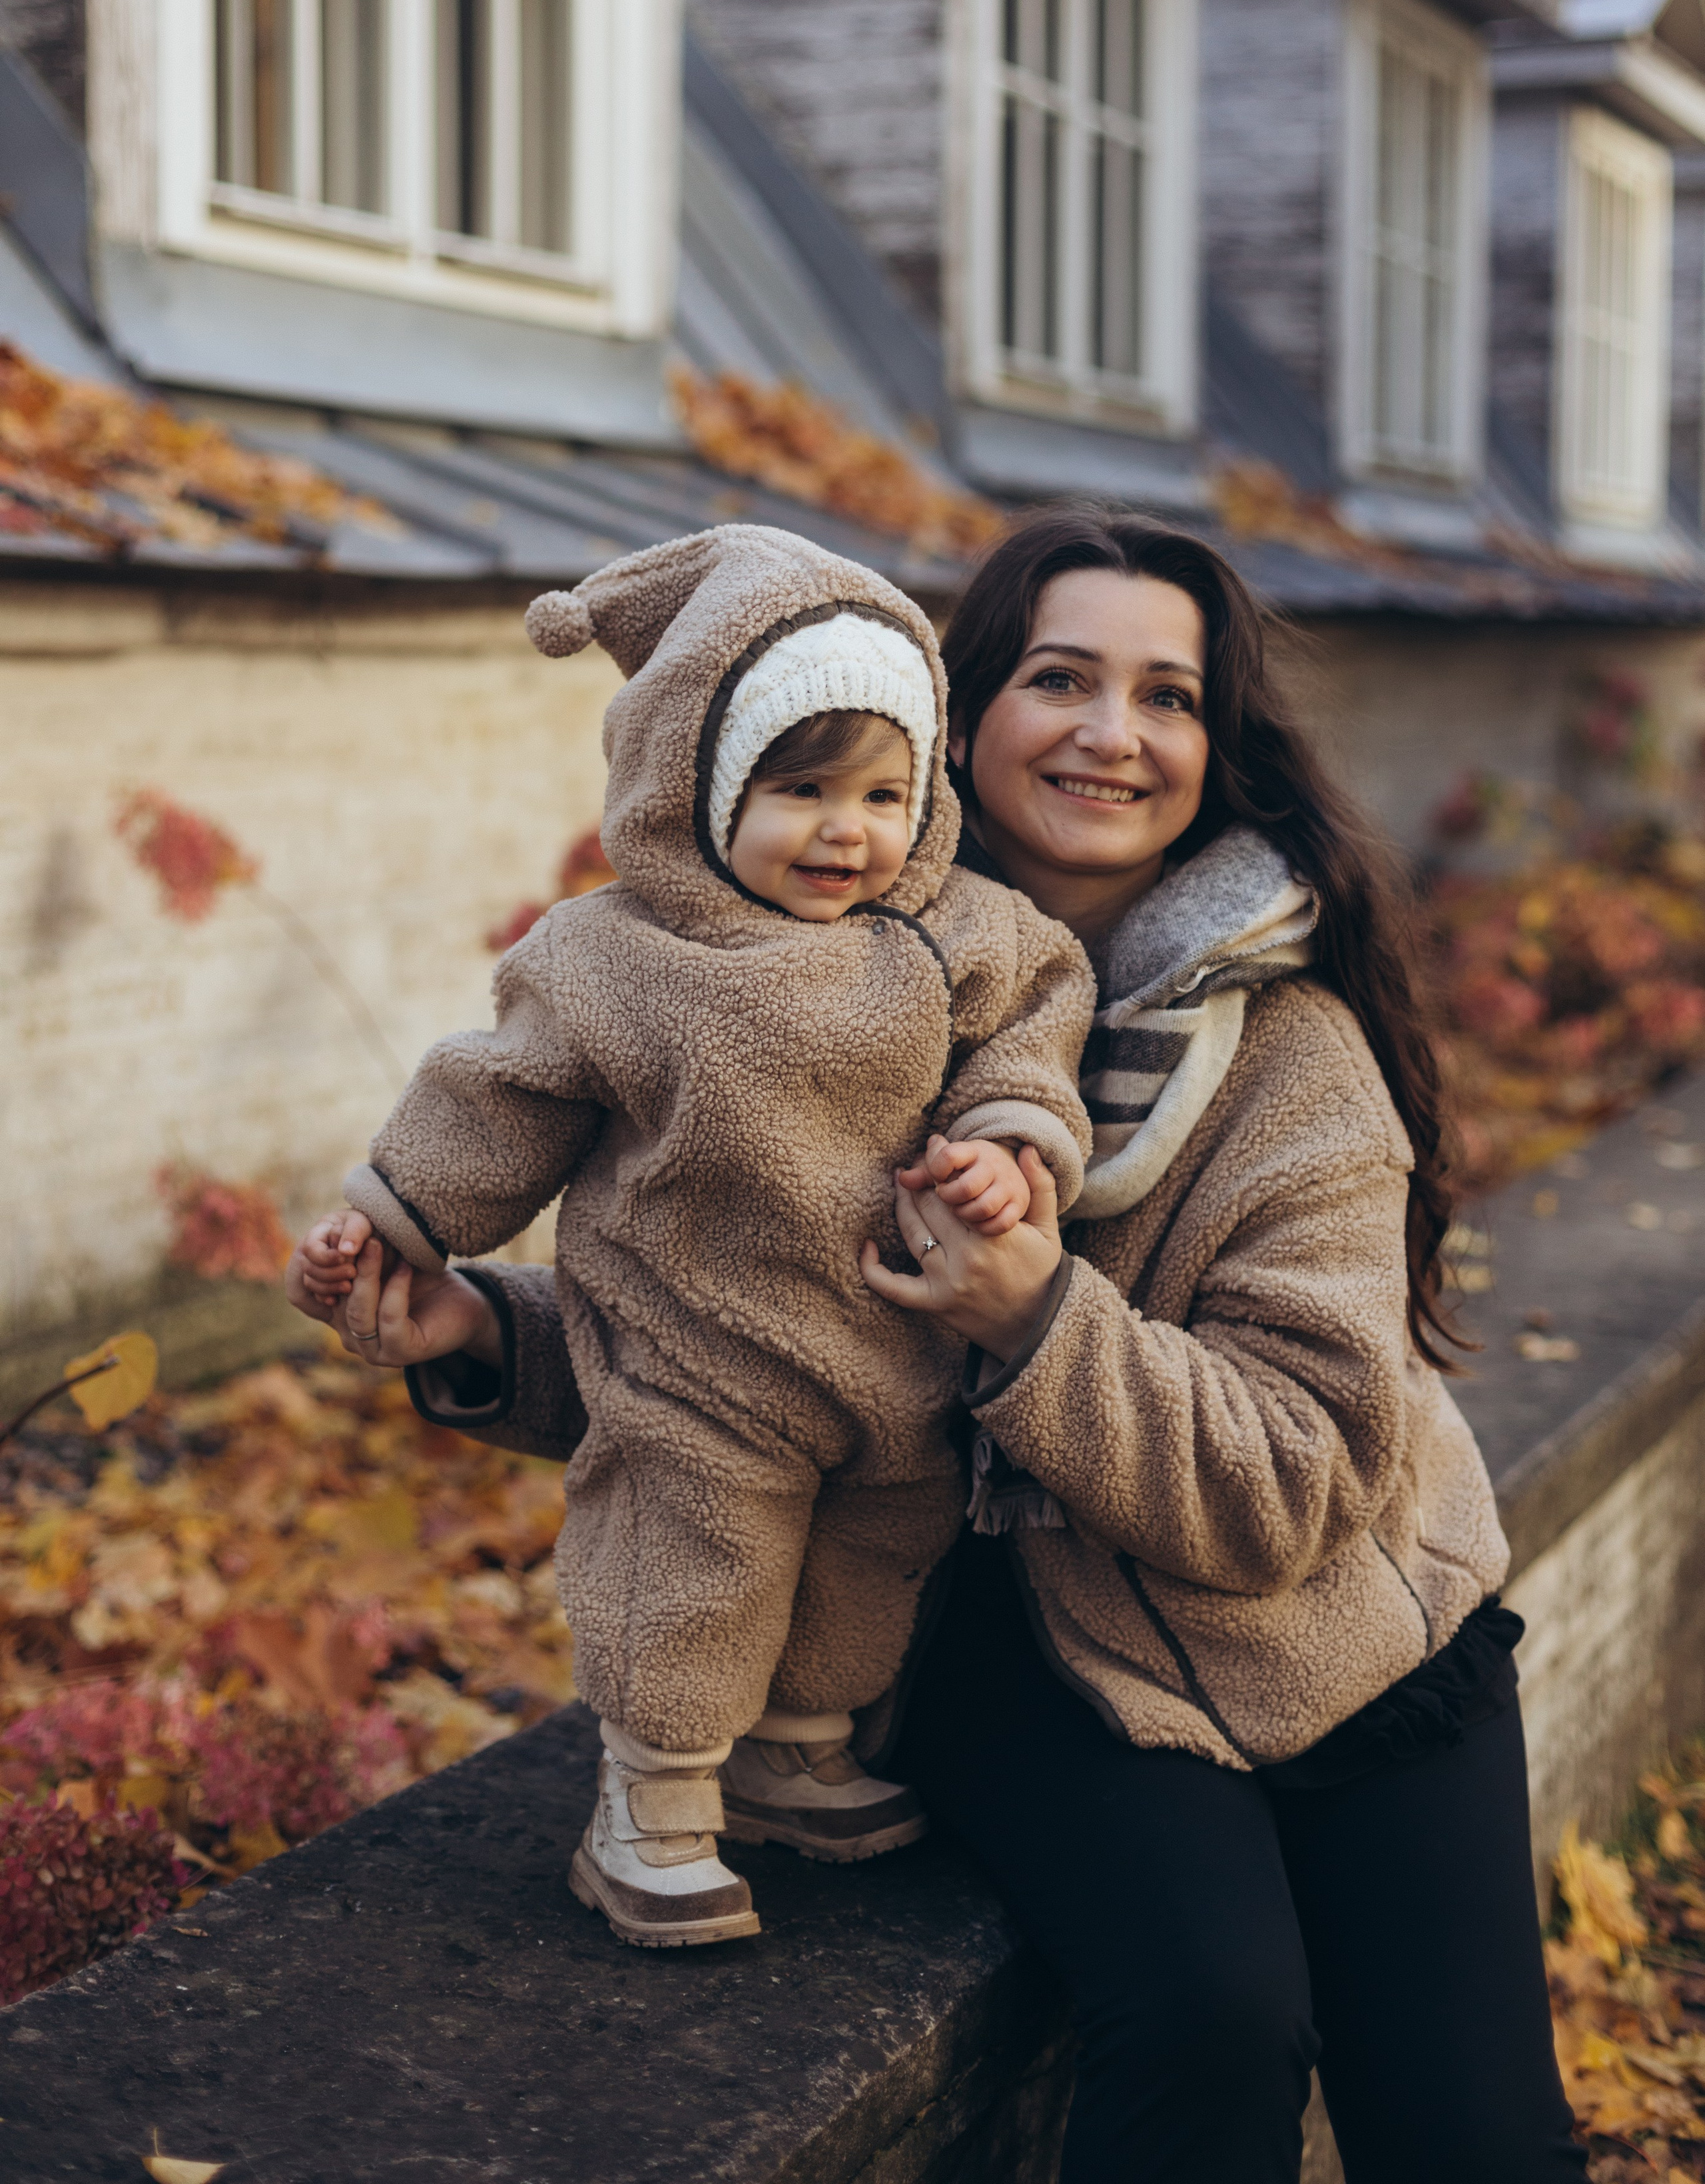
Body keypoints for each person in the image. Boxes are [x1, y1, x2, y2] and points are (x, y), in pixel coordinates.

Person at [290, 508, 1586, 2183]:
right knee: (1206, 2013)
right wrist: (469, 1330)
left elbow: (1295, 1487)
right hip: (1011, 1638)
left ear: (1215, 745)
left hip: (1347, 1633)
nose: (1113, 734)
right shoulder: (781, 970)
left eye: (1168, 696)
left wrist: (1031, 1317)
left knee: (1473, 2146)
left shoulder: (1289, 1065)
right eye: (1061, 677)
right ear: (955, 713)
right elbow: (738, 1366)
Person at [294, 523, 1094, 1952]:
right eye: (798, 792)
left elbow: (1033, 1026)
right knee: (690, 1569)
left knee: (868, 1561)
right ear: (698, 783)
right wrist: (396, 1224)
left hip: (889, 1361)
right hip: (693, 1355)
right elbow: (499, 1098)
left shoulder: (954, 933)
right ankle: (650, 1800)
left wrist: (1008, 1144)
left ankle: (795, 1749)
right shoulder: (617, 958)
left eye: (883, 794)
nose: (847, 832)